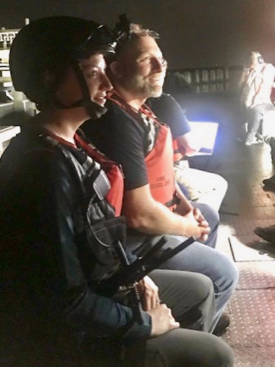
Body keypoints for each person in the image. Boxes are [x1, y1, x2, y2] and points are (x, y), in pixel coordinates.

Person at [0, 16, 234, 367]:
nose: (109, 83)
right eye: (94, 73)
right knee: (213, 354)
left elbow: (99, 229)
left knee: (199, 290)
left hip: (102, 287)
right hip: (66, 339)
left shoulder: (68, 145)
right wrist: (143, 322)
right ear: (50, 78)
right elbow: (65, 300)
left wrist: (136, 275)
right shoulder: (44, 169)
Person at [82, 22, 239, 334]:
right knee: (224, 273)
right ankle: (192, 339)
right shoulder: (118, 122)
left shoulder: (142, 109)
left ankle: (200, 305)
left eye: (161, 60)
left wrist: (182, 203)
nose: (159, 66)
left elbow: (159, 170)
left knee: (206, 213)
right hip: (131, 238)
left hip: (149, 217)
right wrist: (187, 227)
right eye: (146, 60)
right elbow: (139, 216)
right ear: (117, 69)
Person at [147, 93, 228, 211]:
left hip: (145, 172)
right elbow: (191, 147)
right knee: (219, 184)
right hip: (163, 171)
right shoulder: (164, 101)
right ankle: (201, 221)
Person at [239, 51, 275, 145]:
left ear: (259, 60)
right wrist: (244, 72)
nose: (250, 64)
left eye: (252, 61)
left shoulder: (268, 69)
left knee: (256, 109)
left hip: (264, 103)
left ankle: (250, 136)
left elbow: (264, 88)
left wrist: (253, 104)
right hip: (247, 102)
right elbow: (240, 86)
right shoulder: (250, 70)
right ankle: (256, 134)